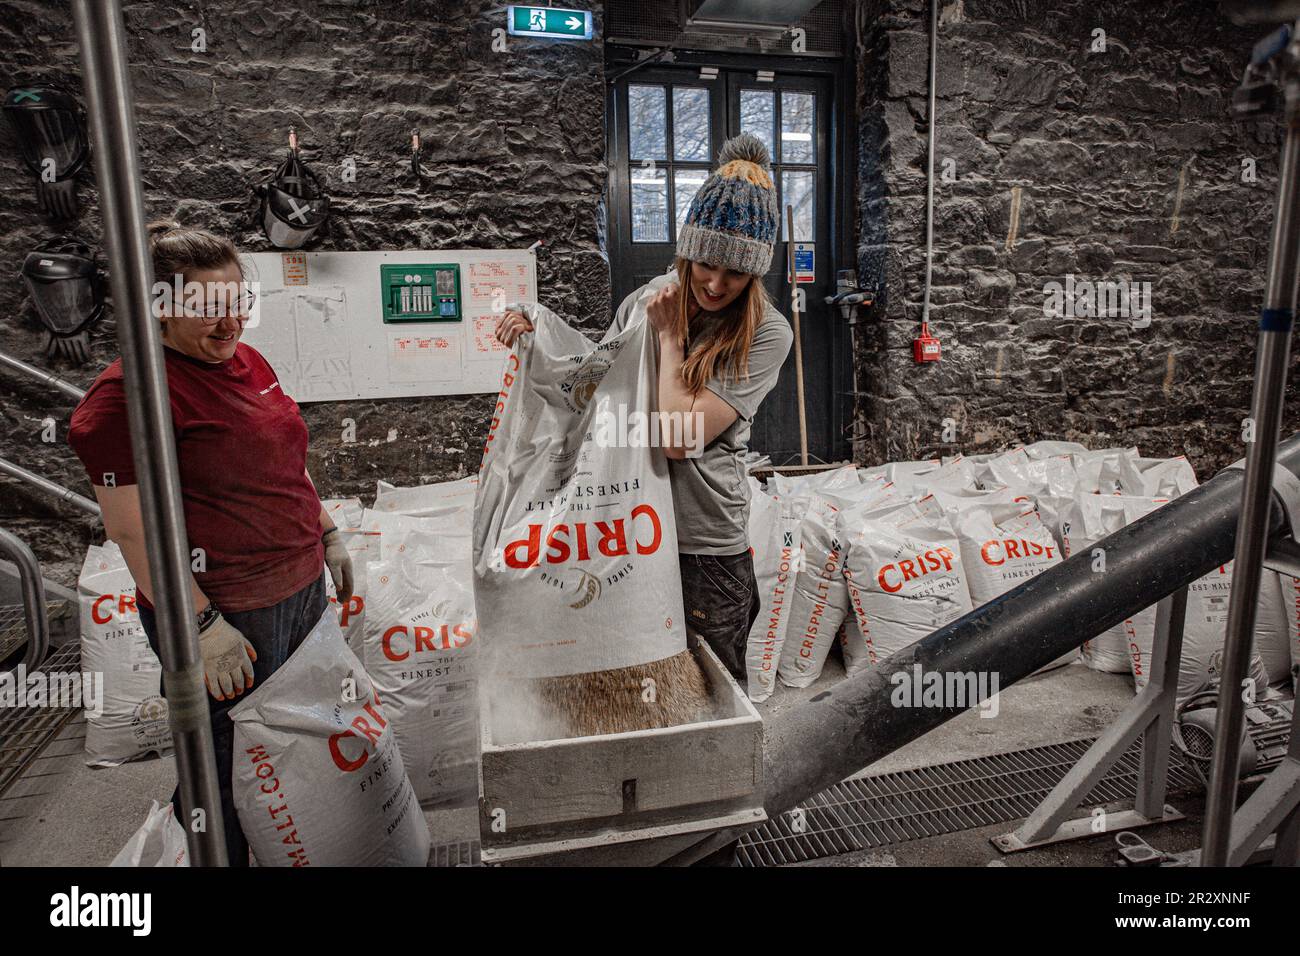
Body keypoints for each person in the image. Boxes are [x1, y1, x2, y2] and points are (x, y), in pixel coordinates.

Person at [68, 221, 354, 866]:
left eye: (236, 306)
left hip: (295, 589)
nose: (230, 327)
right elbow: (132, 528)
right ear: (159, 310)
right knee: (226, 767)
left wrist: (327, 532)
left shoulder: (247, 362)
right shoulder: (125, 398)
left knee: (291, 752)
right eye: (208, 312)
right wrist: (200, 624)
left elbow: (285, 458)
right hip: (227, 609)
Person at [496, 132, 793, 683]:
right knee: (639, 680)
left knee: (712, 691)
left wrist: (671, 338)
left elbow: (681, 438)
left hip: (703, 542)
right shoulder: (648, 298)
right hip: (631, 524)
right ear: (687, 250)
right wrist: (538, 337)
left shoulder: (768, 332)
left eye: (735, 272)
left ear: (755, 273)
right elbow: (589, 385)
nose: (714, 282)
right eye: (704, 261)